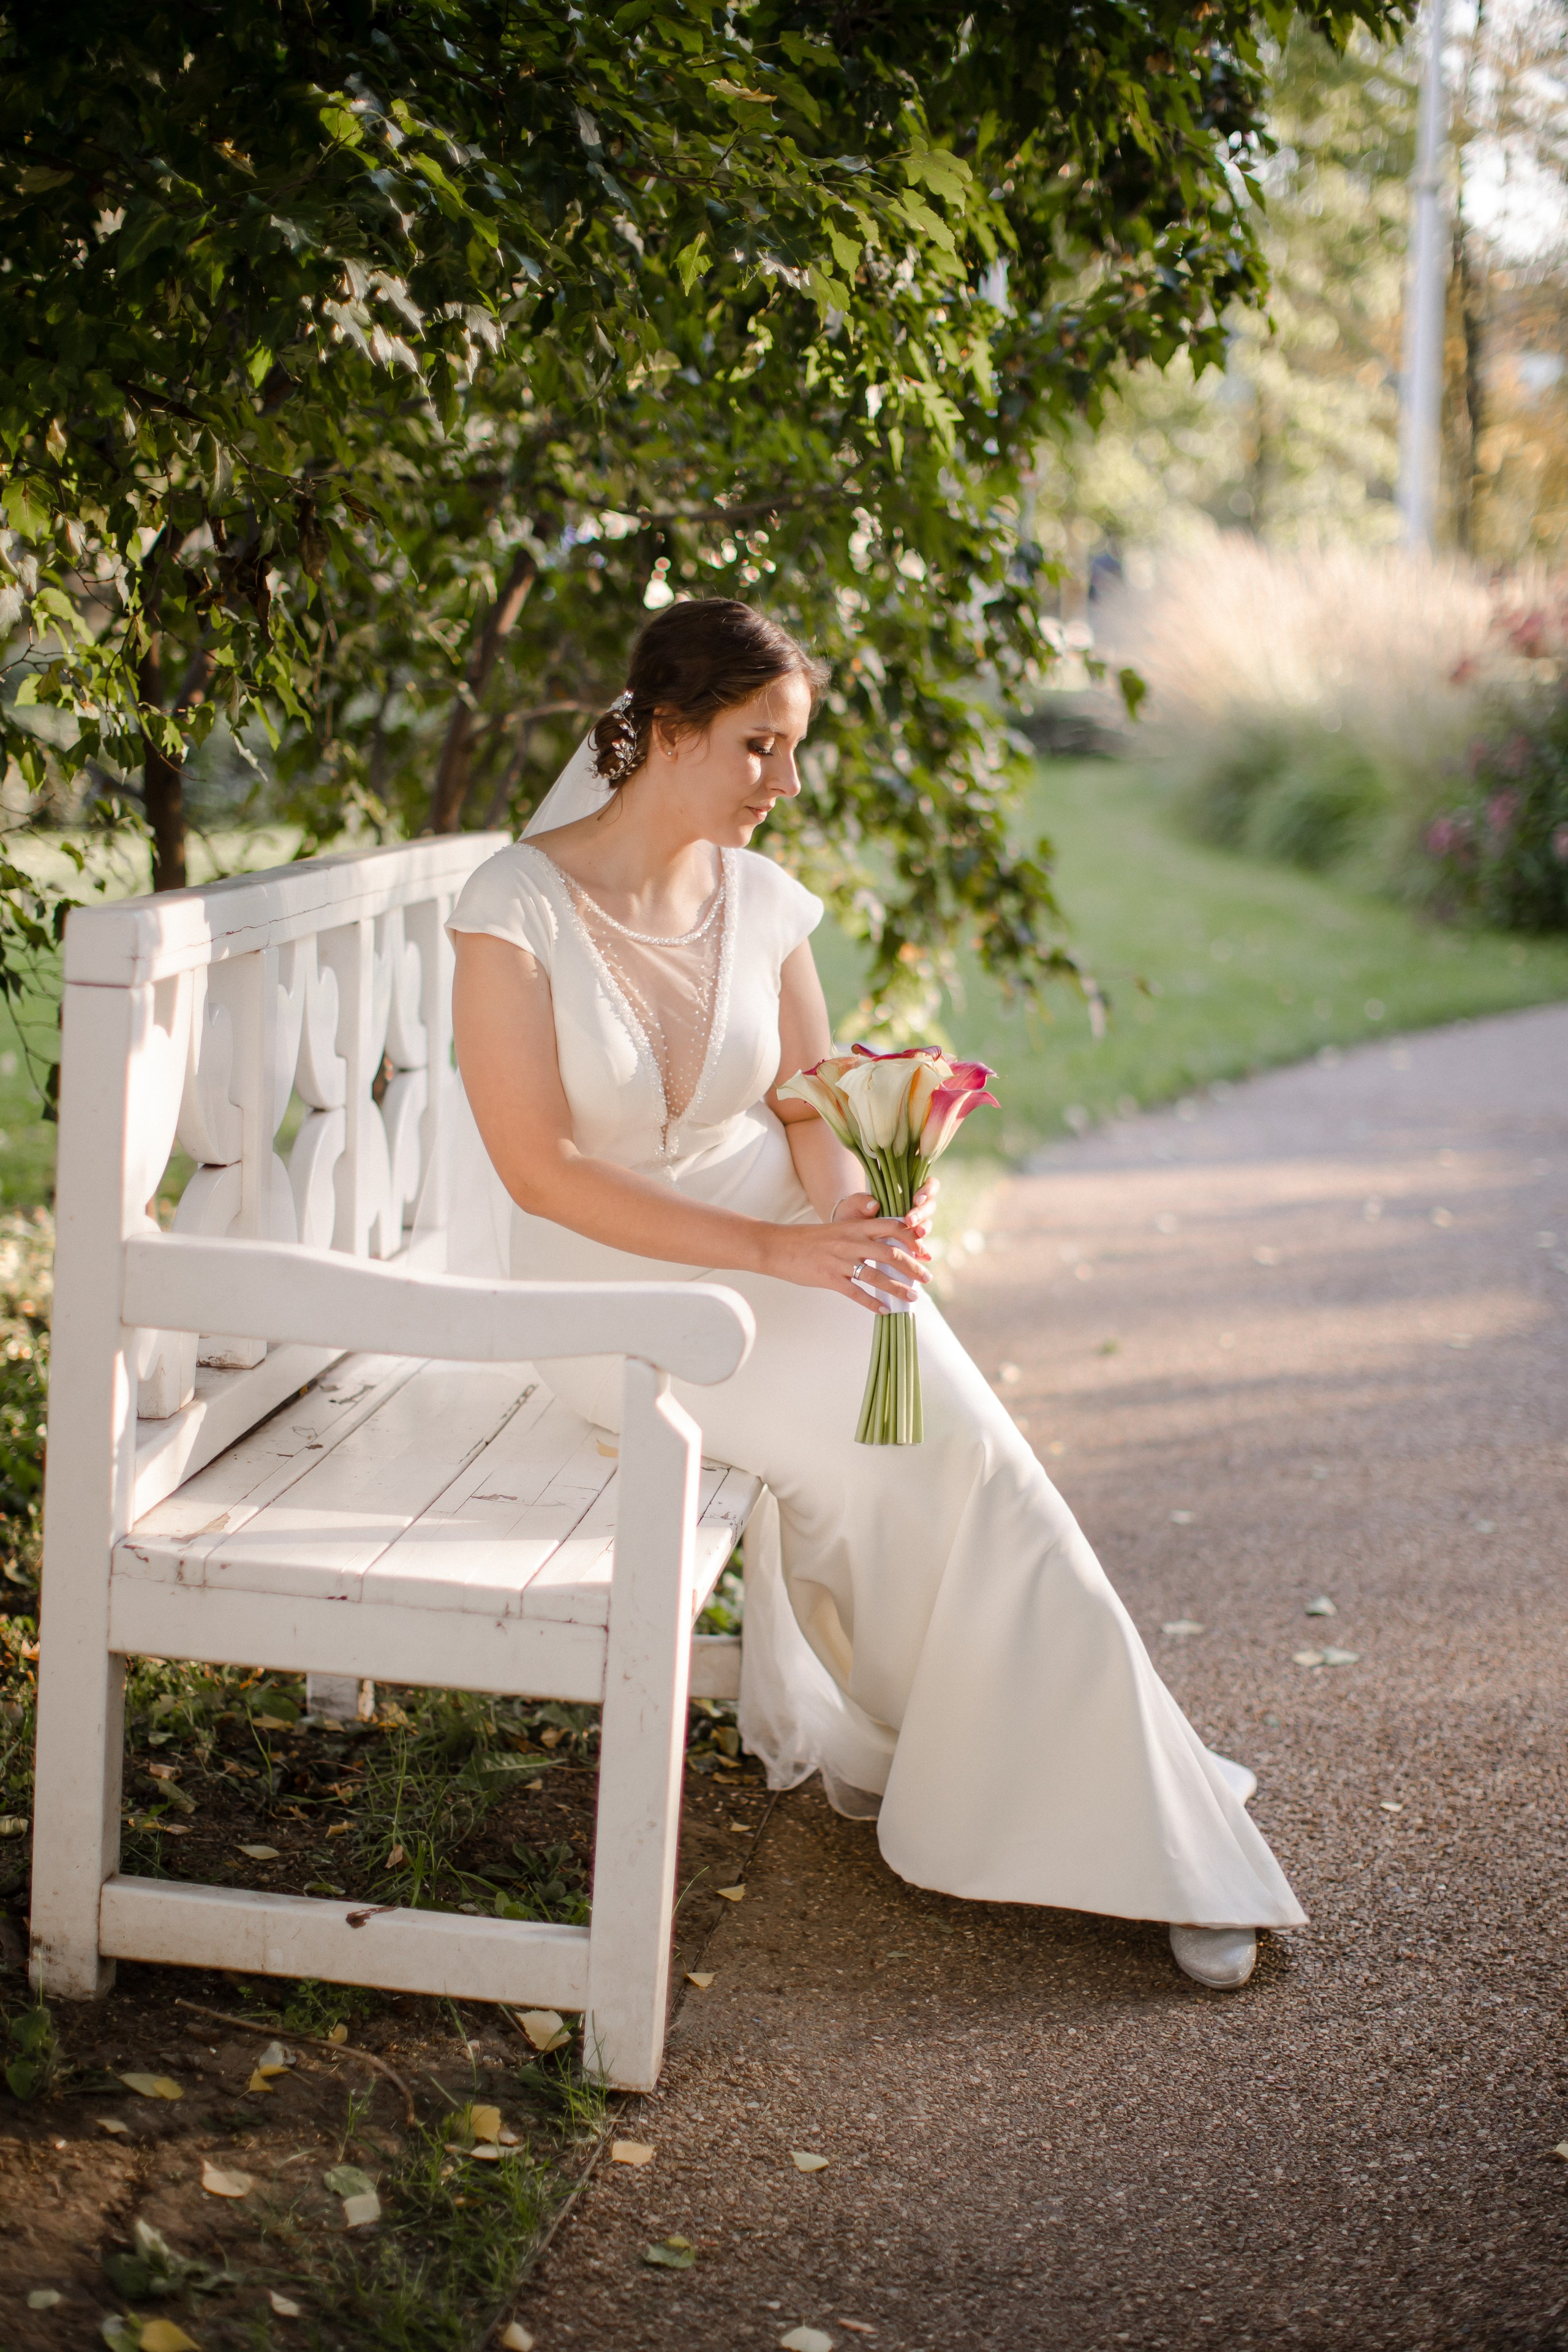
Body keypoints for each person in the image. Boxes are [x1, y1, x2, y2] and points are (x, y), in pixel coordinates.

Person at [447, 598, 1305, 1990]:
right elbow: (538, 1170)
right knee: (879, 1451)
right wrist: (783, 1255)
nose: (783, 784)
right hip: (609, 1283)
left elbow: (798, 1100)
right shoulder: (514, 909)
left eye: (791, 750)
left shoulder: (758, 899)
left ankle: (1111, 1803)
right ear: (664, 733)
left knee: (955, 1444)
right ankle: (1056, 1786)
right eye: (757, 747)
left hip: (769, 1228)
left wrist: (852, 1199)